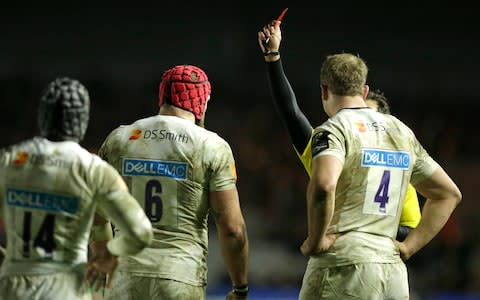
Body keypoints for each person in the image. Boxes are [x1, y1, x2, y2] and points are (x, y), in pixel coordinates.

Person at [258, 20, 462, 299]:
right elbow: (448, 194)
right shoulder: (401, 133)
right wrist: (409, 247)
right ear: (364, 92)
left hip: (345, 263)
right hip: (391, 272)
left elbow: (323, 184)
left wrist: (316, 240)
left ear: (324, 90)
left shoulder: (333, 134)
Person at [98, 64, 249, 300]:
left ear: (163, 96)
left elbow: (97, 216)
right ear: (202, 101)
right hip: (179, 275)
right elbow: (232, 229)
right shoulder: (211, 146)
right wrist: (240, 287)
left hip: (123, 276)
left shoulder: (120, 138)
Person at [0, 77, 153, 300]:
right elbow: (140, 232)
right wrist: (110, 254)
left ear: (43, 116)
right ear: (83, 119)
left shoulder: (10, 160)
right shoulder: (94, 170)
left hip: (14, 289)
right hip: (66, 289)